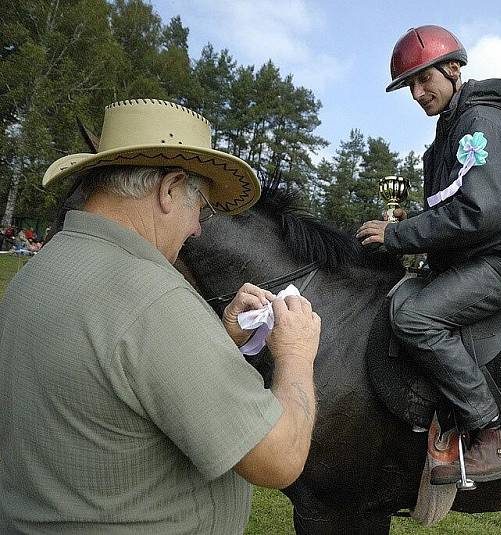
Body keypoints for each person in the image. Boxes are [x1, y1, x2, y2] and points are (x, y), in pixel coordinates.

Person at [0, 99, 321, 533]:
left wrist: (214, 341)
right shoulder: (153, 298)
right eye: (200, 209)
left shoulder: (34, 274)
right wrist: (298, 354)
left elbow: (112, 379)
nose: (197, 229)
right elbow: (280, 459)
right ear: (169, 189)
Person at [357, 25, 501, 485]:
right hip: (476, 257)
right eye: (410, 85)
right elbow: (453, 207)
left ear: (454, 69)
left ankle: (492, 431)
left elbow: (481, 211)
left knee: (416, 319)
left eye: (425, 80)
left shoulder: (482, 122)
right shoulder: (451, 129)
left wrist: (401, 234)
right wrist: (412, 222)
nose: (418, 93)